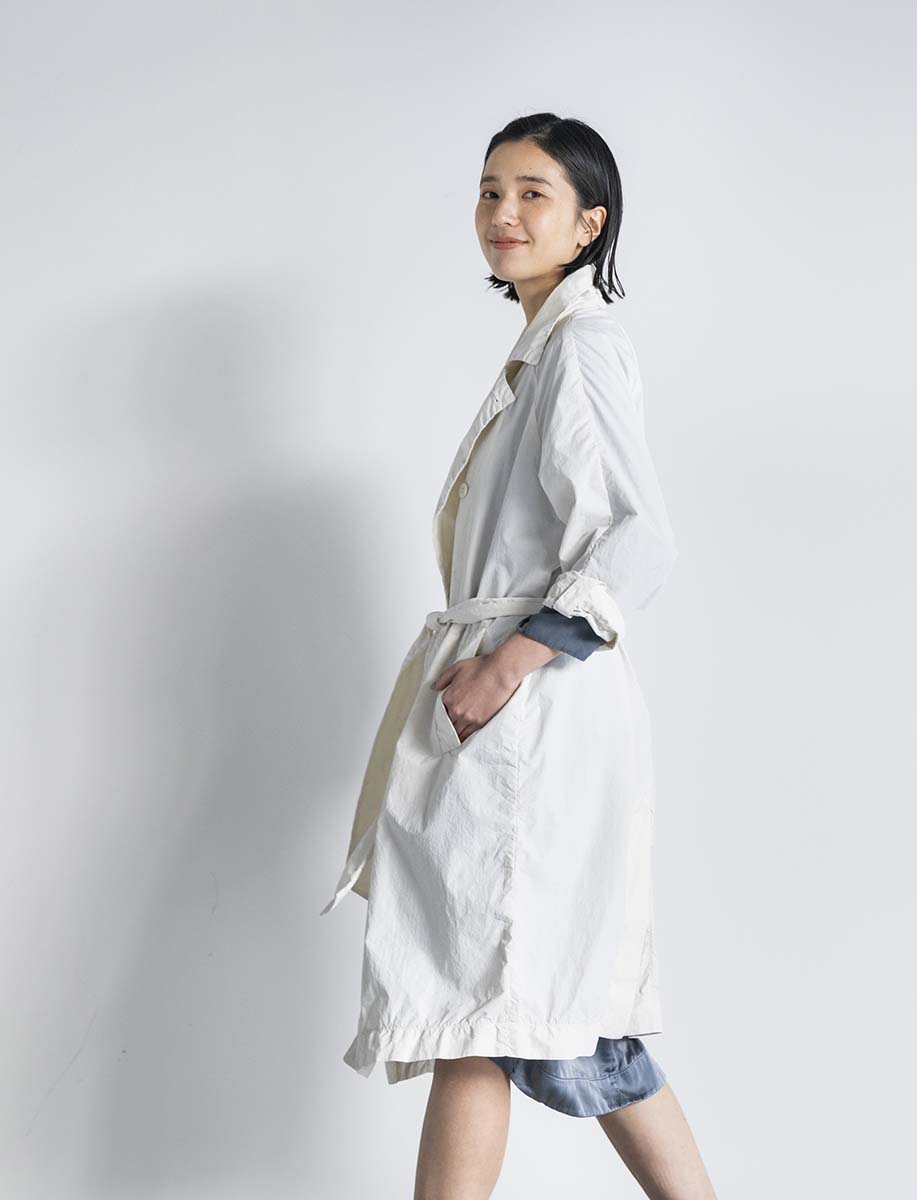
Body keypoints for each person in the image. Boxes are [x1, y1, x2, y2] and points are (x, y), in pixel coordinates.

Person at [321, 113, 718, 1199]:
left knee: (479, 1013)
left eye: (534, 193)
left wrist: (506, 666)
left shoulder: (580, 349)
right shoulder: (543, 350)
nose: (503, 211)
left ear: (590, 224)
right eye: (490, 189)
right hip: (523, 719)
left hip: (531, 720)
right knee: (553, 1018)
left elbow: (638, 537)